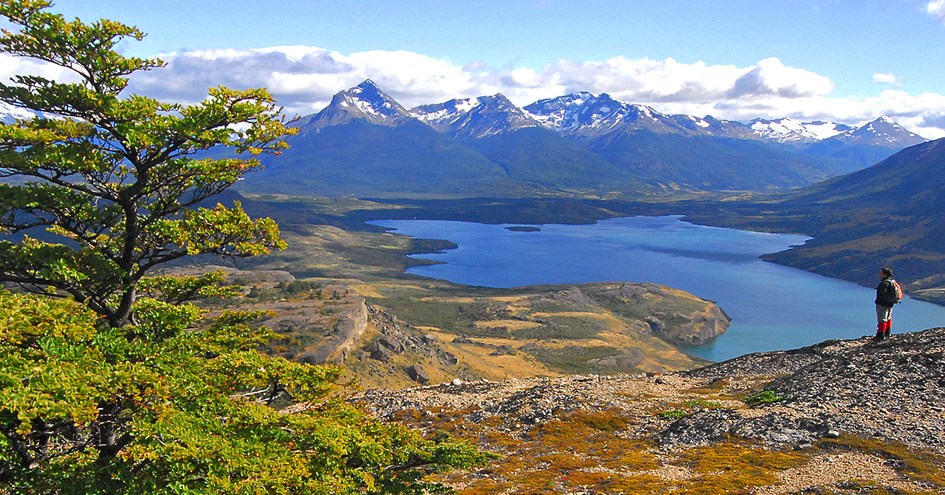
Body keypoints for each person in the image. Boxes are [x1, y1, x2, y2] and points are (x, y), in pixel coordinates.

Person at [874, 266, 898, 340]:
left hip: (882, 304)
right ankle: (888, 333)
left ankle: (880, 335)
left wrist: (879, 301)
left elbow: (882, 294)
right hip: (890, 304)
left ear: (885, 274)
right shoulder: (892, 282)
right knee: (888, 318)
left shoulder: (884, 283)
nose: (879, 275)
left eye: (881, 273)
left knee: (882, 319)